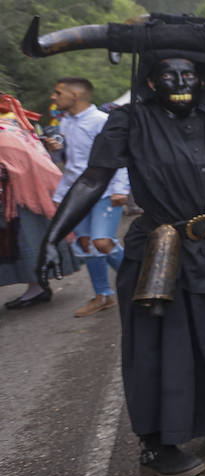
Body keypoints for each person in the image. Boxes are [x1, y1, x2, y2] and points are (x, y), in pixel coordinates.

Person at [27, 16, 205, 476]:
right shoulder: (129, 122)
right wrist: (53, 237)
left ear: (201, 78)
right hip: (162, 248)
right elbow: (93, 179)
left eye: (189, 74)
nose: (180, 82)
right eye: (169, 75)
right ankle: (157, 445)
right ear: (151, 80)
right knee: (163, 346)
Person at [42, 78, 131, 317]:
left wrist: (121, 188)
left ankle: (140, 281)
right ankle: (103, 296)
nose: (53, 97)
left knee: (102, 242)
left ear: (75, 95)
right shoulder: (65, 123)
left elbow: (119, 156)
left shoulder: (102, 121)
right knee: (87, 244)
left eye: (58, 92)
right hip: (75, 194)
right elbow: (68, 161)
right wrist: (54, 148)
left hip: (105, 192)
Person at [1, 97, 77, 310]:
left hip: (20, 198)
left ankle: (37, 287)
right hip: (19, 195)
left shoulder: (6, 133)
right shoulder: (13, 128)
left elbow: (24, 163)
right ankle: (36, 287)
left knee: (27, 240)